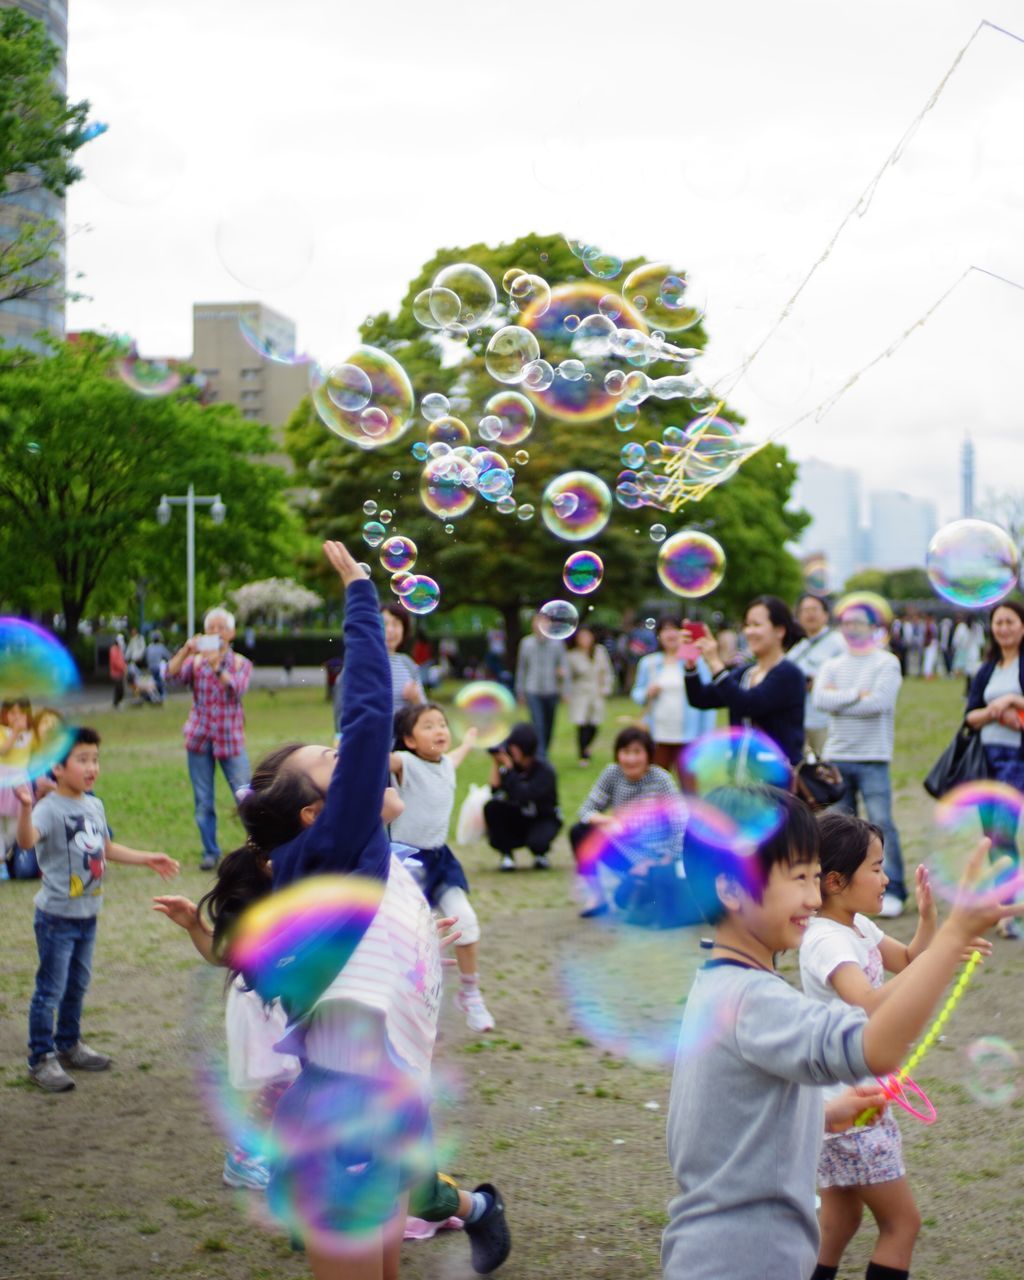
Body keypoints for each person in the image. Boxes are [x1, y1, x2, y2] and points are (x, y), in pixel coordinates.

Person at [190, 542, 444, 1276]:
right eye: (332, 764)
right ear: (313, 816)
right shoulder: (333, 851)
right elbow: (367, 713)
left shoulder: (357, 864)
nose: (350, 755)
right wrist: (361, 595)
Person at [661, 783, 1023, 1280]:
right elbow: (876, 1045)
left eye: (816, 877)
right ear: (729, 888)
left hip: (717, 1253)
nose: (814, 898)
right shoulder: (756, 1000)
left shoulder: (720, 983)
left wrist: (826, 1112)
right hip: (745, 1261)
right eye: (799, 878)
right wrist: (955, 935)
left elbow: (736, 1121)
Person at [800, 811, 989, 1280]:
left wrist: (930, 925)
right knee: (902, 1224)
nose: (886, 878)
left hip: (848, 1103)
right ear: (838, 881)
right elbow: (867, 1004)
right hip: (851, 1111)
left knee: (840, 1221)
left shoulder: (859, 926)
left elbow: (907, 961)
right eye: (877, 868)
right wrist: (943, 953)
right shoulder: (826, 939)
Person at [15, 727, 179, 1092]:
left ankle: (69, 1043)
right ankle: (41, 1058)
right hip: (56, 918)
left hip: (87, 914)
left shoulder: (94, 804)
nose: (92, 767)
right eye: (82, 760)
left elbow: (104, 847)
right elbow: (26, 841)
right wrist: (26, 807)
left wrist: (146, 858)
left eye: (95, 759)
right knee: (50, 989)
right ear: (56, 768)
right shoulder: (48, 809)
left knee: (77, 985)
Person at [389, 702, 495, 1033]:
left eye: (443, 724)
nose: (439, 730)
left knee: (468, 923)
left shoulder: (447, 764)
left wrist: (470, 740)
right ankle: (405, 1007)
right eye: (428, 726)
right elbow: (379, 756)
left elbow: (457, 757)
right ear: (408, 740)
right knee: (410, 941)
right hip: (407, 864)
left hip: (440, 859)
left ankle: (470, 993)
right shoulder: (404, 763)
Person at [813, 602, 907, 917]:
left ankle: (892, 889)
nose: (852, 627)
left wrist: (840, 697)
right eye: (847, 622)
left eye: (859, 622)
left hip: (873, 756)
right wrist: (857, 693)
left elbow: (878, 703)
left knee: (882, 825)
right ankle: (839, 888)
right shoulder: (832, 663)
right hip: (837, 755)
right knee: (837, 830)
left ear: (873, 627)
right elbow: (820, 699)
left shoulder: (887, 663)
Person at [167, 607, 254, 871]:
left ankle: (258, 846)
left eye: (220, 627)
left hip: (231, 739)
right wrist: (186, 651)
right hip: (200, 738)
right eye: (210, 628)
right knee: (203, 799)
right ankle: (210, 851)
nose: (215, 632)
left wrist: (218, 666)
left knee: (246, 797)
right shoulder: (195, 663)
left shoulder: (241, 663)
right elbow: (169, 676)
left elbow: (238, 688)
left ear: (231, 632)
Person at [570, 726, 687, 920]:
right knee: (580, 832)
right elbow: (585, 811)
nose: (631, 759)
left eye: (637, 752)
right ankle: (597, 898)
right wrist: (610, 820)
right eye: (625, 752)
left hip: (656, 858)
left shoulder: (661, 779)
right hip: (625, 851)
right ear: (618, 754)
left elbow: (680, 822)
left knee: (628, 903)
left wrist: (665, 859)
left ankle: (641, 888)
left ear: (648, 755)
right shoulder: (612, 774)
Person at [684, 596, 807, 765]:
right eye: (747, 625)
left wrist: (714, 662)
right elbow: (700, 698)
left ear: (780, 630)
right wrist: (691, 665)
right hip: (741, 777)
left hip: (777, 779)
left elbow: (747, 705)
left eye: (756, 625)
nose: (749, 632)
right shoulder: (745, 673)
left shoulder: (788, 674)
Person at [964, 599, 1024, 939]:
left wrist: (1013, 702)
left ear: (1022, 626)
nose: (1003, 628)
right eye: (998, 623)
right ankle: (1002, 904)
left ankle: (1007, 910)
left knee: (1003, 832)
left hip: (1016, 759)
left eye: (1010, 622)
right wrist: (993, 712)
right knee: (991, 837)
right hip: (985, 758)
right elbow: (970, 717)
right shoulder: (987, 669)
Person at [631, 617, 716, 780]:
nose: (670, 634)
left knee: (689, 787)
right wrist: (646, 693)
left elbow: (707, 698)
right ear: (659, 635)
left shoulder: (693, 661)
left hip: (689, 735)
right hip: (658, 734)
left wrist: (706, 735)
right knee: (655, 785)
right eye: (665, 629)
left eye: (675, 629)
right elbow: (637, 693)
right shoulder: (649, 663)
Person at [334, 602, 424, 732]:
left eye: (396, 624)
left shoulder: (408, 664)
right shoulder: (359, 663)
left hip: (403, 745)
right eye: (384, 624)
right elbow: (342, 711)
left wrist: (416, 699)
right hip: (371, 742)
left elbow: (425, 713)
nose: (390, 630)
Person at [483, 723, 562, 871]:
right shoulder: (510, 768)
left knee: (538, 842)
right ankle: (506, 855)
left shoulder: (544, 771)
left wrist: (509, 768)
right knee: (493, 807)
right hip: (519, 817)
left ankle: (540, 854)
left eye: (513, 747)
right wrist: (496, 763)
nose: (510, 752)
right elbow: (494, 791)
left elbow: (524, 794)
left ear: (524, 748)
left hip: (543, 818)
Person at [789, 594, 846, 759]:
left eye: (814, 609)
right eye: (805, 610)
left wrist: (818, 683)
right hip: (800, 720)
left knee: (827, 769)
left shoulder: (838, 643)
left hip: (826, 721)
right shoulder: (799, 648)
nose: (810, 614)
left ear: (826, 615)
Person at [514, 613, 568, 758]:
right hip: (532, 690)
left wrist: (565, 690)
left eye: (544, 623)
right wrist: (520, 691)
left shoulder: (557, 644)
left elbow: (564, 667)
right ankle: (541, 757)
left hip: (551, 690)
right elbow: (522, 669)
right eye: (538, 622)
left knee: (549, 726)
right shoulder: (526, 643)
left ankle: (544, 751)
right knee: (538, 725)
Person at [564, 626, 615, 767]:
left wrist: (607, 687)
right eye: (582, 637)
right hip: (580, 693)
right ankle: (583, 755)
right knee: (582, 724)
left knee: (594, 723)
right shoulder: (572, 656)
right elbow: (568, 677)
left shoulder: (599, 651)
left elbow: (607, 671)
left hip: (596, 691)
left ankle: (587, 748)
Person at [144, 630, 171, 703]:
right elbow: (168, 656)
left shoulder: (149, 647)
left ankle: (156, 696)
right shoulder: (160, 647)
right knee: (160, 682)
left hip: (151, 668)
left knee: (154, 682)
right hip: (158, 668)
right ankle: (162, 696)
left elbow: (146, 658)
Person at [108, 634, 127, 710]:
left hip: (120, 672)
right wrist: (122, 668)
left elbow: (122, 660)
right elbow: (115, 662)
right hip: (115, 673)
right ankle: (116, 703)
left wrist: (124, 666)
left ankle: (117, 702)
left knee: (120, 688)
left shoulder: (119, 649)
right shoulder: (113, 649)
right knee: (118, 688)